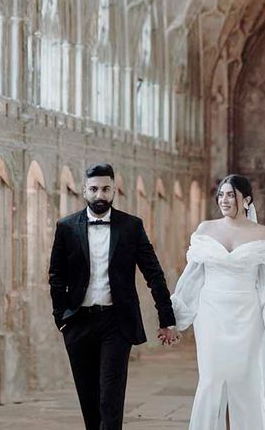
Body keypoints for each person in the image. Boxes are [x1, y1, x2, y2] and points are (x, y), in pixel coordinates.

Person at [48, 162, 179, 429]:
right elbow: (56, 276)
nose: (100, 195)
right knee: (89, 400)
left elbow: (153, 274)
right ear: (84, 190)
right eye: (94, 189)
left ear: (114, 190)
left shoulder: (131, 226)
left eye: (105, 189)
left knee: (110, 398)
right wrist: (61, 317)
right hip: (78, 322)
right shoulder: (66, 227)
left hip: (116, 323)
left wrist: (167, 318)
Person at [171, 174, 265, 430]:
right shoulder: (205, 229)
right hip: (211, 313)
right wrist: (173, 319)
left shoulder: (261, 233)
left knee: (245, 379)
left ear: (247, 199)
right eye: (221, 195)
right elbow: (192, 278)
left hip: (247, 314)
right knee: (211, 378)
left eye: (231, 195)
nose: (224, 200)